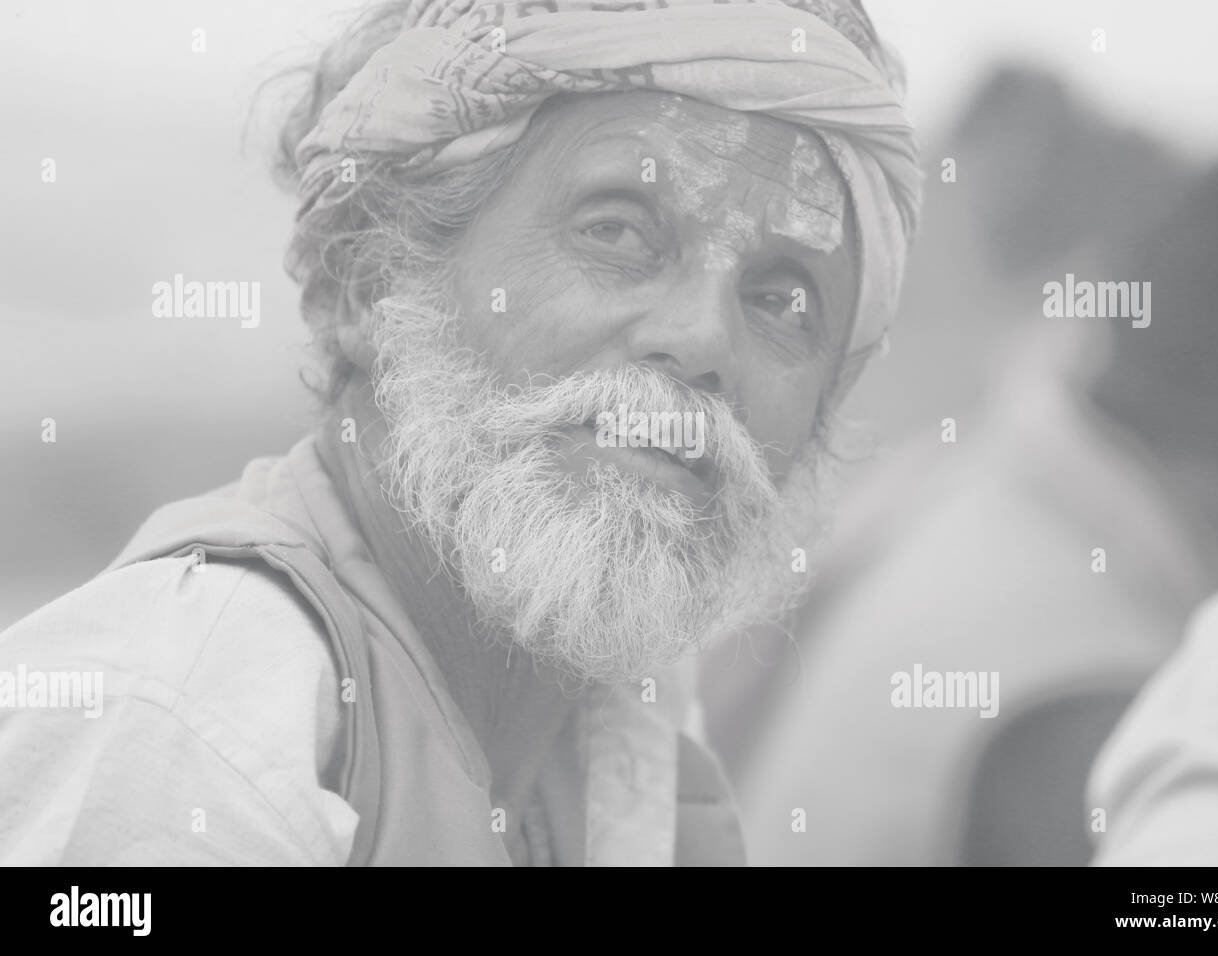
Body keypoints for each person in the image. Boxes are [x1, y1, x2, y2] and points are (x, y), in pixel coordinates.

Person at [0, 0, 920, 865]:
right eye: (620, 232)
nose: (705, 339)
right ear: (371, 283)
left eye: (782, 299)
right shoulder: (189, 727)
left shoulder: (624, 736)